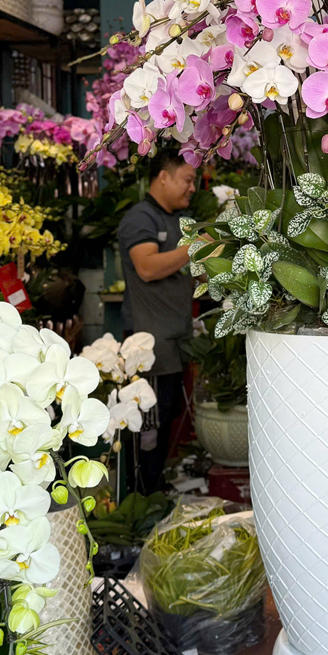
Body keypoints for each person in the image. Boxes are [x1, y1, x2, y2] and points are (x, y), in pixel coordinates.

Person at [118, 149, 198, 492]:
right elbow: (147, 268)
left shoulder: (180, 219)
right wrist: (195, 248)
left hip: (174, 341)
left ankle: (157, 489)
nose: (192, 188)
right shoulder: (141, 218)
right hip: (147, 345)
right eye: (187, 180)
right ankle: (142, 495)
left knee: (167, 416)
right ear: (163, 177)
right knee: (148, 426)